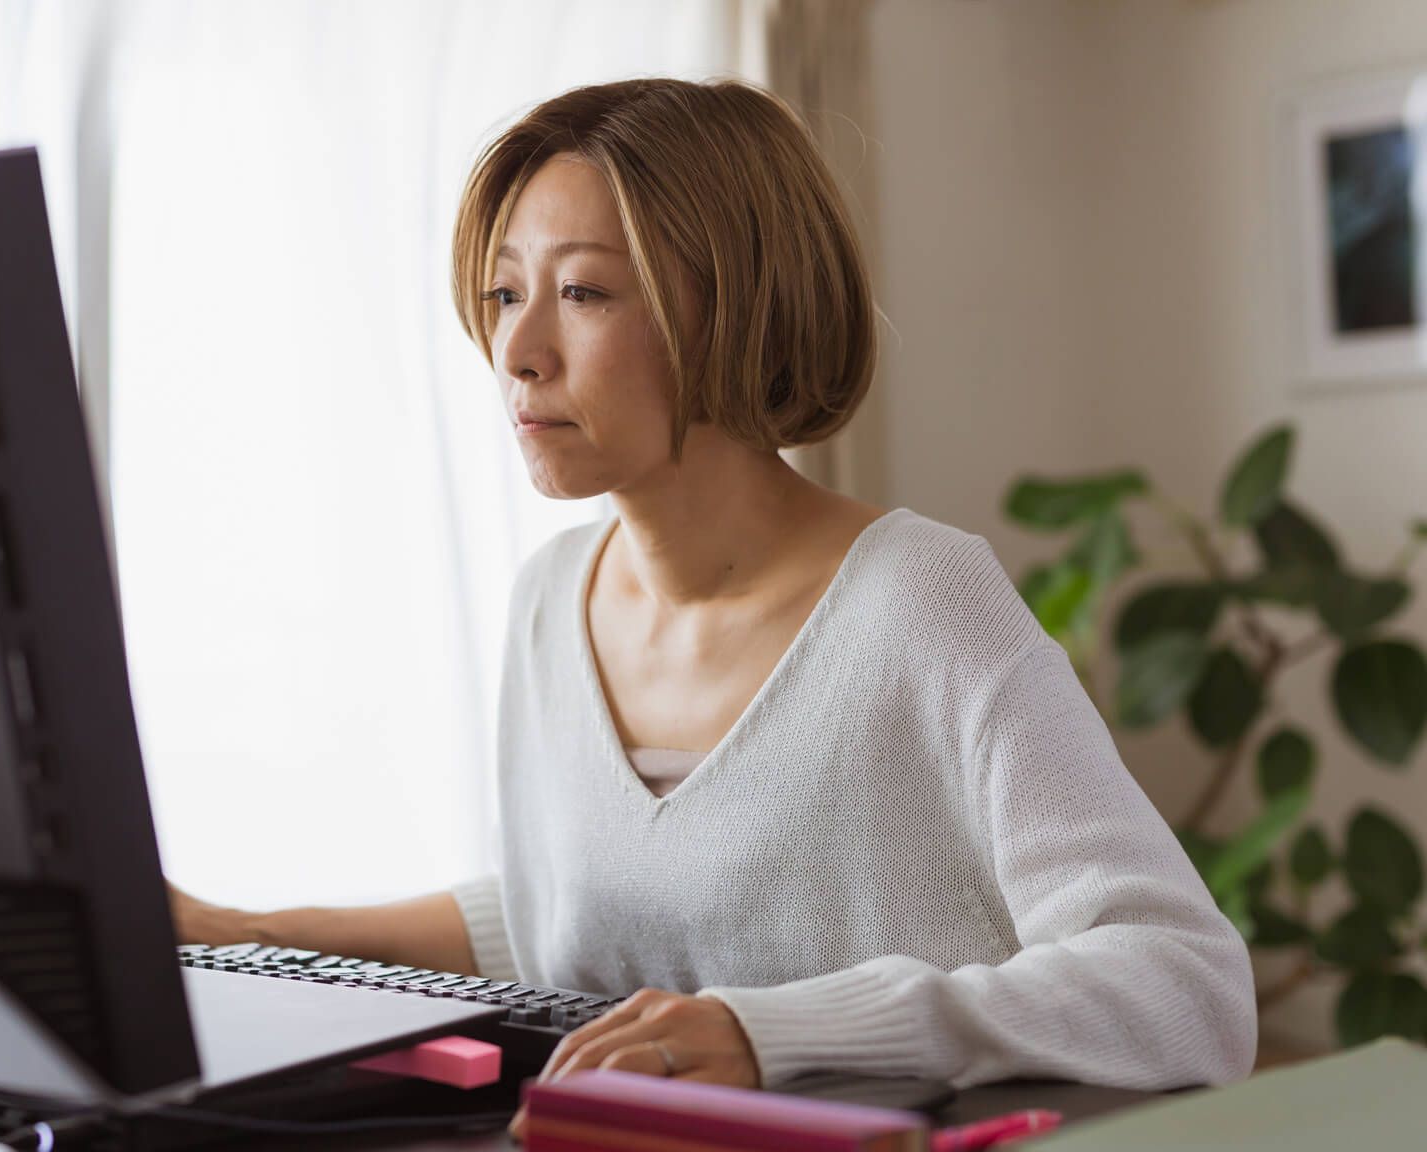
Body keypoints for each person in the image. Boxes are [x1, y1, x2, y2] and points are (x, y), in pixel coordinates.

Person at [168, 77, 1257, 1100]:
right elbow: (581, 919)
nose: (520, 350)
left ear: (734, 307)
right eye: (505, 293)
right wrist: (254, 930)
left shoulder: (919, 599)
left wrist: (771, 1033)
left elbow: (1185, 983)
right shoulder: (551, 602)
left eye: (584, 291)